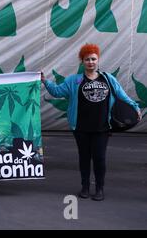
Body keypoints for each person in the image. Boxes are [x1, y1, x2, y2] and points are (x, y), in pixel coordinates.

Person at [41, 43, 141, 201]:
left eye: (93, 59)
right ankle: (85, 187)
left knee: (99, 158)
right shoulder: (74, 80)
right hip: (80, 127)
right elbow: (57, 91)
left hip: (102, 127)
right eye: (87, 59)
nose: (91, 62)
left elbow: (122, 95)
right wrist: (45, 81)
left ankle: (99, 188)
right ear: (82, 62)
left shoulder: (108, 79)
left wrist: (135, 107)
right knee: (84, 157)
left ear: (98, 60)